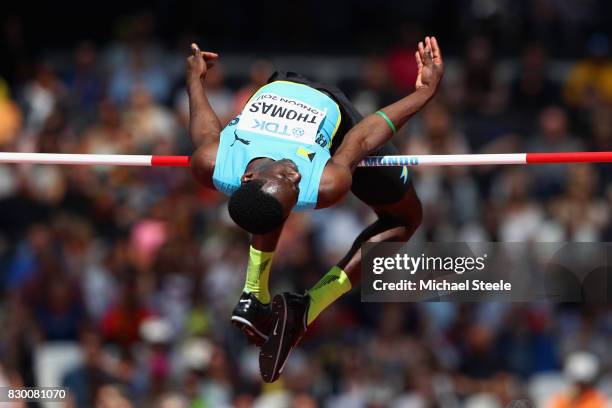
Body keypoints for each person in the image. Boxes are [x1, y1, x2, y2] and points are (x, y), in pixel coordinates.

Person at [186, 38, 444, 382]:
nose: (293, 173)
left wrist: (194, 80)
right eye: (293, 182)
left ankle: (254, 294)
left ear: (245, 175)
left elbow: (204, 131)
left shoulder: (212, 162)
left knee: (267, 202)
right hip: (335, 114)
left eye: (285, 176)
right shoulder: (320, 182)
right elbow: (363, 139)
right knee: (405, 219)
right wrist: (423, 93)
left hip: (277, 84)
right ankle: (308, 306)